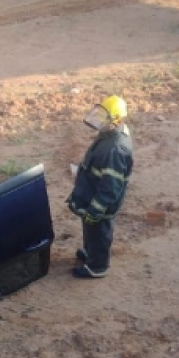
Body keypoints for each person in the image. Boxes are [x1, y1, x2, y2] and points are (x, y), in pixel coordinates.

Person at [66, 95, 134, 279]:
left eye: (105, 118)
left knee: (100, 233)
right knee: (90, 230)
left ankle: (97, 267)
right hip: (91, 196)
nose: (100, 121)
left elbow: (111, 187)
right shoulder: (109, 135)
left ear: (117, 120)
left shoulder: (116, 149)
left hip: (101, 204)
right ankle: (91, 253)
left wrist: (96, 210)